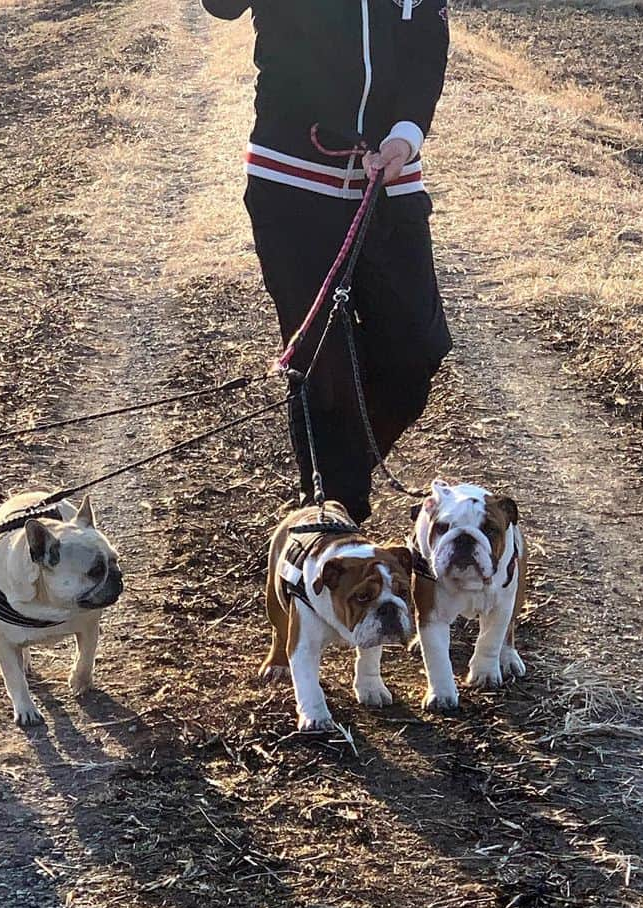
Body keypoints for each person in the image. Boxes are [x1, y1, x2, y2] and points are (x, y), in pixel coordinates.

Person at [202, 0, 452, 525]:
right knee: (321, 363)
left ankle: (338, 483)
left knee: (416, 350)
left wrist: (405, 138)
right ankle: (335, 514)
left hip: (390, 177)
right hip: (290, 180)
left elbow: (426, 44)